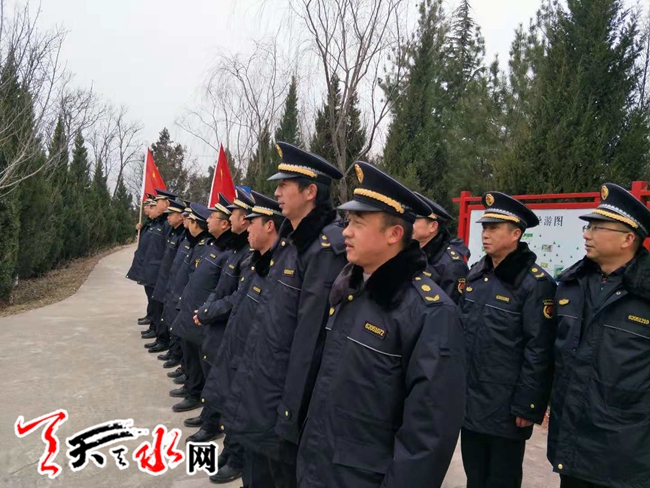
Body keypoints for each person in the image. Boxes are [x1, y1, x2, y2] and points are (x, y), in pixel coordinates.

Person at [296, 162, 466, 488]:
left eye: (358, 223)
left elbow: (428, 434)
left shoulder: (430, 313)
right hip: (319, 467)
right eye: (348, 221)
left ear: (394, 234)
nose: (346, 231)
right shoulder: (351, 290)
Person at [227, 142, 347, 487]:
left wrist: (289, 415)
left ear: (310, 192)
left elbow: (310, 344)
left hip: (283, 398)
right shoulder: (291, 240)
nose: (276, 192)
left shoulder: (324, 248)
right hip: (265, 383)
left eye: (284, 185)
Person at [547, 183, 650, 488]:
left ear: (628, 239)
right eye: (587, 227)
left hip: (626, 451)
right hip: (572, 443)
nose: (586, 235)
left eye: (596, 227)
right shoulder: (571, 286)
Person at [458, 191, 557, 488]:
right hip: (470, 399)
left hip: (506, 406)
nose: (485, 234)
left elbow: (539, 348)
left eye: (494, 228)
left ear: (516, 234)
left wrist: (528, 405)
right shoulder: (477, 275)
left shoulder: (535, 283)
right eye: (484, 227)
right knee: (474, 476)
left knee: (502, 479)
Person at [206, 192, 285, 485]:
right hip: (238, 345)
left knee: (247, 410)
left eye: (253, 222)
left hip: (255, 357)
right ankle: (232, 451)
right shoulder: (256, 261)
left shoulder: (279, 268)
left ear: (270, 226)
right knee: (233, 402)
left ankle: (237, 458)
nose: (248, 227)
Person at [182, 188, 256, 446]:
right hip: (215, 321)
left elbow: (238, 296)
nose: (231, 218)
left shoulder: (248, 252)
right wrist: (206, 308)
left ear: (243, 220)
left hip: (228, 325)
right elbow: (221, 287)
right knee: (211, 370)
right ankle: (209, 417)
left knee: (221, 376)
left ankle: (214, 424)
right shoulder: (235, 248)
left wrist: (210, 311)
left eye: (234, 214)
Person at [170, 197, 232, 413]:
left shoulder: (227, 251)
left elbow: (220, 288)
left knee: (202, 361)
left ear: (224, 224)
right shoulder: (213, 246)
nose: (208, 221)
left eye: (212, 217)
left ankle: (198, 397)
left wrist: (206, 309)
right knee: (191, 356)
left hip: (202, 313)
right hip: (192, 308)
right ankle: (192, 388)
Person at [413, 192, 470, 303]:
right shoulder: (412, 254)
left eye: (414, 220)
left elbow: (451, 309)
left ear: (433, 226)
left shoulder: (452, 265)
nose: (409, 224)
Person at [147, 198, 186, 353]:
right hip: (165, 276)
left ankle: (170, 346)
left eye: (172, 214)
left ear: (181, 217)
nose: (168, 216)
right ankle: (162, 338)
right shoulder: (173, 232)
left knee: (170, 312)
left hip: (174, 281)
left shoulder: (182, 236)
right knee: (162, 308)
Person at [127, 195, 156, 327]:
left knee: (152, 293)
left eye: (148, 206)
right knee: (148, 291)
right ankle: (149, 314)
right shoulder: (147, 223)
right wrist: (137, 229)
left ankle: (151, 316)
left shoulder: (155, 224)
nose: (145, 209)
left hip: (151, 262)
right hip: (144, 261)